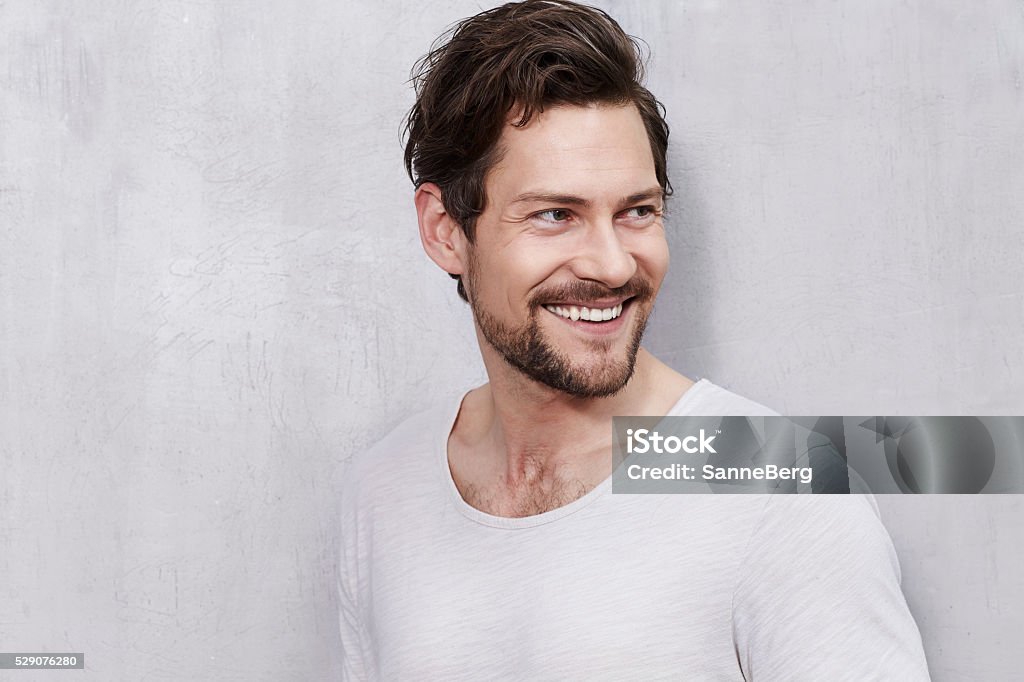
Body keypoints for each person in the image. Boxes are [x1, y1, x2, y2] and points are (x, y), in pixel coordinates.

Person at [337, 1, 930, 678]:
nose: (614, 265)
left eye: (637, 211)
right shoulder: (382, 490)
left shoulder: (784, 491)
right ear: (445, 230)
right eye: (556, 215)